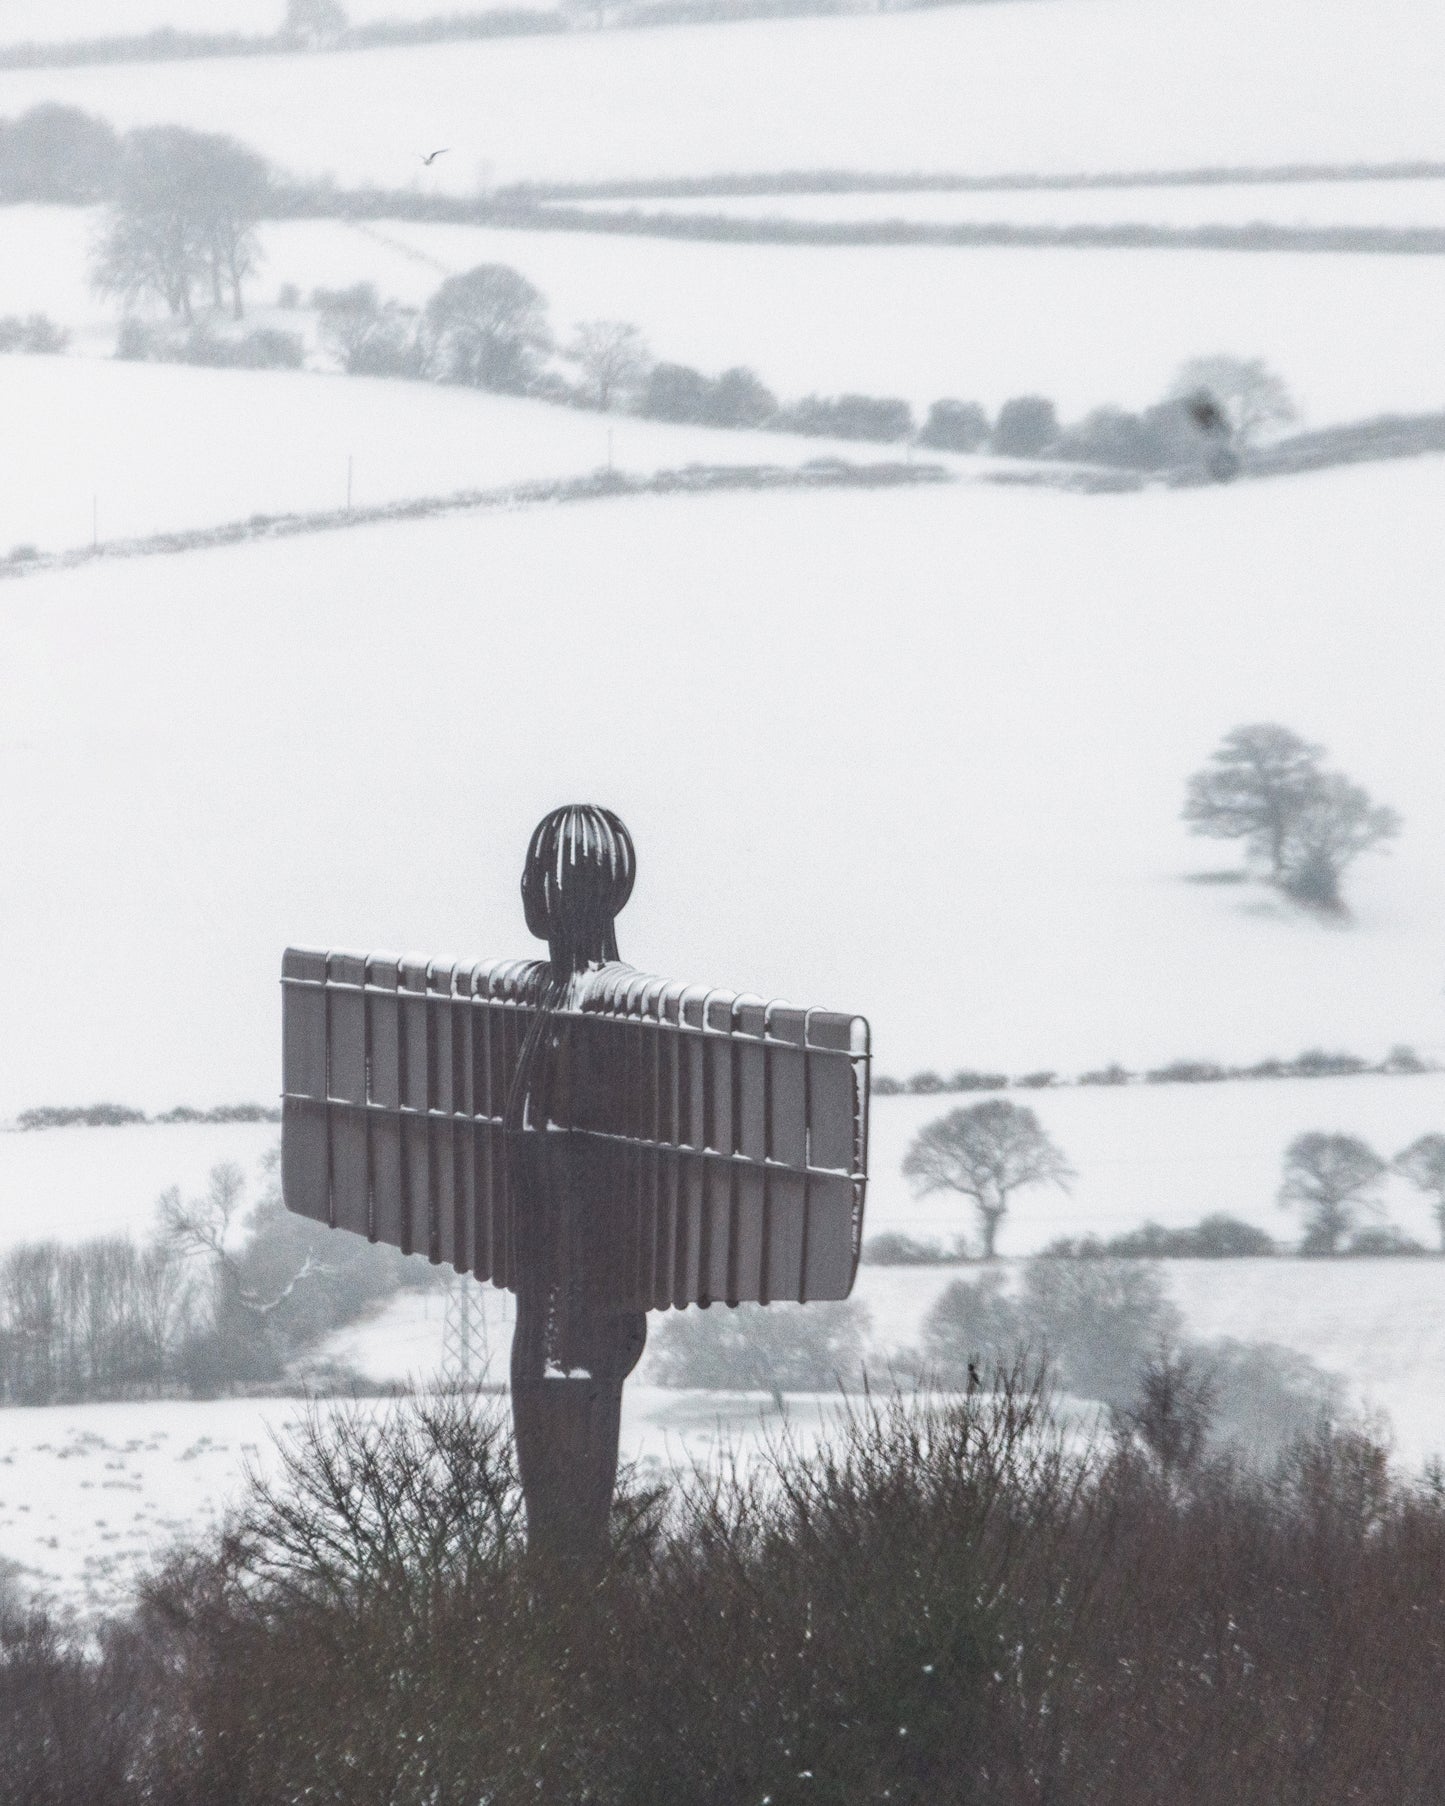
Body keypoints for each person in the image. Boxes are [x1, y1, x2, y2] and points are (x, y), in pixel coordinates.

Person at [505, 803, 648, 1571]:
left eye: (539, 872)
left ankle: (568, 1636)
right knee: (551, 1539)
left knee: (567, 1546)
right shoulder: (550, 997)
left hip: (577, 1315)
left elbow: (580, 1155)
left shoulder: (605, 1006)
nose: (527, 887)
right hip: (547, 1310)